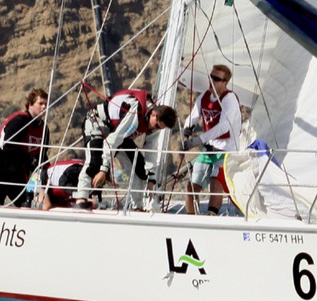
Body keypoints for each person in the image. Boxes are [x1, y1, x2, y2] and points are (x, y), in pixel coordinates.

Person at [73, 88, 177, 210]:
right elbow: (111, 142)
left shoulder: (154, 124)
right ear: (154, 114)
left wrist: (151, 179)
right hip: (97, 122)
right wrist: (104, 170)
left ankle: (138, 207)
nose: (156, 129)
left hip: (118, 131)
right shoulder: (136, 113)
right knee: (94, 162)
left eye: (160, 128)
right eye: (157, 125)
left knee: (139, 168)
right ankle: (81, 199)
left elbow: (151, 152)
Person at [181, 64, 242, 216]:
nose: (211, 81)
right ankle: (190, 218)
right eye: (211, 77)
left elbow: (223, 127)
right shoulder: (204, 97)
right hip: (209, 149)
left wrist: (197, 140)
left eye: (216, 79)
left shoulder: (229, 99)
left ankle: (211, 215)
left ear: (224, 82)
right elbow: (194, 116)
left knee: (216, 183)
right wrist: (188, 127)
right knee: (192, 186)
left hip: (226, 151)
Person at [0, 88, 50, 206]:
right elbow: (7, 146)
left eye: (46, 104)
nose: (44, 107)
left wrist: (48, 172)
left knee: (25, 203)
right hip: (4, 169)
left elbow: (42, 154)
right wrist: (28, 158)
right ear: (30, 104)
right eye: (40, 104)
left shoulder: (44, 129)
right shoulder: (20, 120)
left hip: (23, 171)